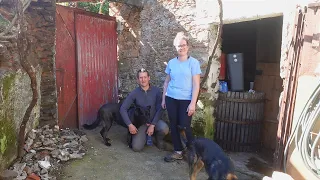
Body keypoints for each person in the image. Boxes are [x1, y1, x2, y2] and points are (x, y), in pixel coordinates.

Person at [162, 32, 201, 162]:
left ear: (188, 46)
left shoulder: (193, 63)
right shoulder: (171, 63)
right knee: (173, 125)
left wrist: (193, 103)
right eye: (179, 46)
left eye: (183, 45)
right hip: (171, 98)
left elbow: (196, 85)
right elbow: (166, 82)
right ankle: (178, 151)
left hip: (186, 100)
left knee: (184, 126)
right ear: (176, 47)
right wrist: (163, 99)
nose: (181, 48)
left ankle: (193, 152)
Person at [120, 68, 169, 152]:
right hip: (141, 124)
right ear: (137, 80)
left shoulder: (156, 91)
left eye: (145, 77)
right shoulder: (134, 93)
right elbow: (123, 109)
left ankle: (157, 139)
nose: (143, 80)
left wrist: (153, 125)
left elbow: (160, 109)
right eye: (141, 78)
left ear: (149, 78)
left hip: (154, 121)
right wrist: (130, 125)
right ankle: (145, 136)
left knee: (164, 128)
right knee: (136, 147)